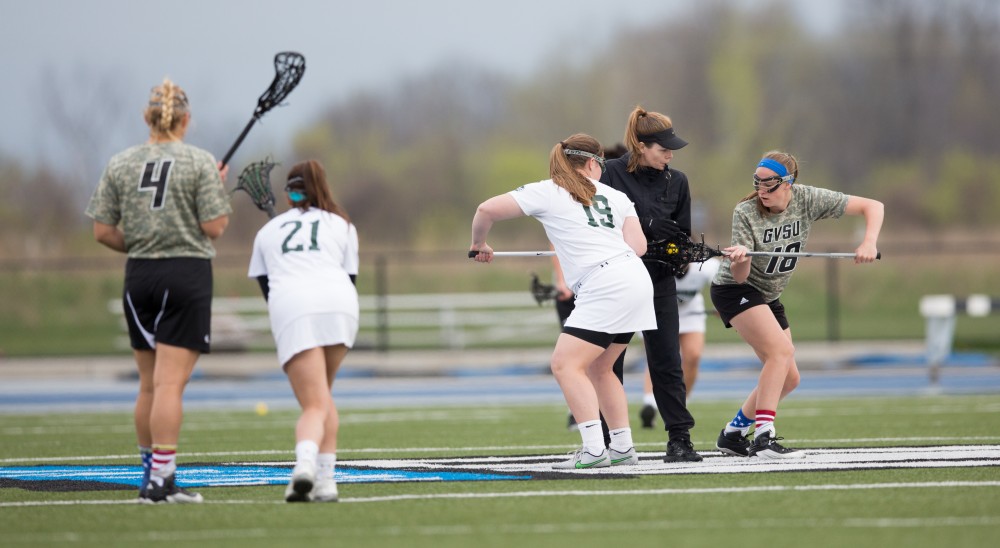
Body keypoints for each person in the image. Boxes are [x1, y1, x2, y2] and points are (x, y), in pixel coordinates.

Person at [85, 78, 231, 503]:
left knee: (148, 385)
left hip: (139, 279)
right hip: (185, 274)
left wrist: (143, 243)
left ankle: (150, 476)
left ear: (146, 118)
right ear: (186, 120)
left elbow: (102, 230)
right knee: (170, 386)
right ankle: (161, 481)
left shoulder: (120, 162)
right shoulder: (199, 161)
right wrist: (215, 186)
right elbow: (215, 226)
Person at [471, 133, 656, 469]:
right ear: (591, 163)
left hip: (605, 283)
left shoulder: (548, 190)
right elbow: (639, 247)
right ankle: (623, 448)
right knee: (601, 368)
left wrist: (479, 243)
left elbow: (486, 210)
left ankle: (594, 450)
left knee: (564, 364)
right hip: (636, 280)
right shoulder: (616, 196)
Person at [711, 150, 883, 459]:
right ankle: (764, 438)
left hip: (769, 296)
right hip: (735, 289)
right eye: (758, 184)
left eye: (770, 185)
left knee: (789, 378)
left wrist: (869, 242)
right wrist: (741, 259)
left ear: (789, 183)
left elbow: (873, 206)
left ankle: (733, 434)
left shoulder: (808, 199)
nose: (762, 192)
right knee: (780, 353)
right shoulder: (745, 212)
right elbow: (740, 277)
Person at [248, 160, 359, 502]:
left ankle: (305, 466)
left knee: (313, 404)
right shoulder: (342, 225)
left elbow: (268, 288)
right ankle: (326, 483)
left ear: (289, 194)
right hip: (340, 306)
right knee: (322, 397)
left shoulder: (268, 232)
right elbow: (350, 277)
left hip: (294, 308)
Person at [600, 105, 702, 462]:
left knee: (666, 363)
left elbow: (683, 237)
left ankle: (679, 439)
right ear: (641, 145)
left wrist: (683, 256)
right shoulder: (608, 173)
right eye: (663, 148)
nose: (670, 155)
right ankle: (607, 440)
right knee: (608, 362)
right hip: (616, 283)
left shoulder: (679, 181)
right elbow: (598, 225)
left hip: (658, 283)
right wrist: (645, 225)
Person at [639, 257, 721, 428]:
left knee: (693, 356)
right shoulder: (654, 266)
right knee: (657, 356)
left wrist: (722, 305)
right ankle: (650, 404)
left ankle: (682, 404)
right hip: (658, 310)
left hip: (690, 312)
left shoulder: (705, 267)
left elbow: (723, 283)